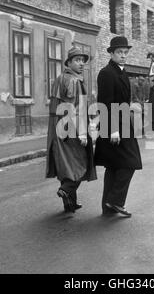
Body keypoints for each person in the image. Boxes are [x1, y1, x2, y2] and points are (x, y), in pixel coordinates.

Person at [94, 36, 143, 218]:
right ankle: (115, 200)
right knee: (131, 162)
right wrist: (113, 128)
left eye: (125, 52)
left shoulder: (122, 72)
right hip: (114, 125)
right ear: (112, 54)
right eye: (119, 52)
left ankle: (108, 207)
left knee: (114, 166)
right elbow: (104, 103)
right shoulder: (106, 73)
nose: (123, 55)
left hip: (123, 123)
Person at [46, 47, 97, 213]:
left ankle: (70, 203)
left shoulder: (60, 79)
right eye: (77, 60)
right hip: (72, 129)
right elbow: (78, 109)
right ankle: (67, 190)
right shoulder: (75, 81)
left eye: (83, 60)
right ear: (68, 63)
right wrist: (82, 132)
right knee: (81, 163)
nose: (81, 64)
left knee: (65, 164)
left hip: (58, 128)